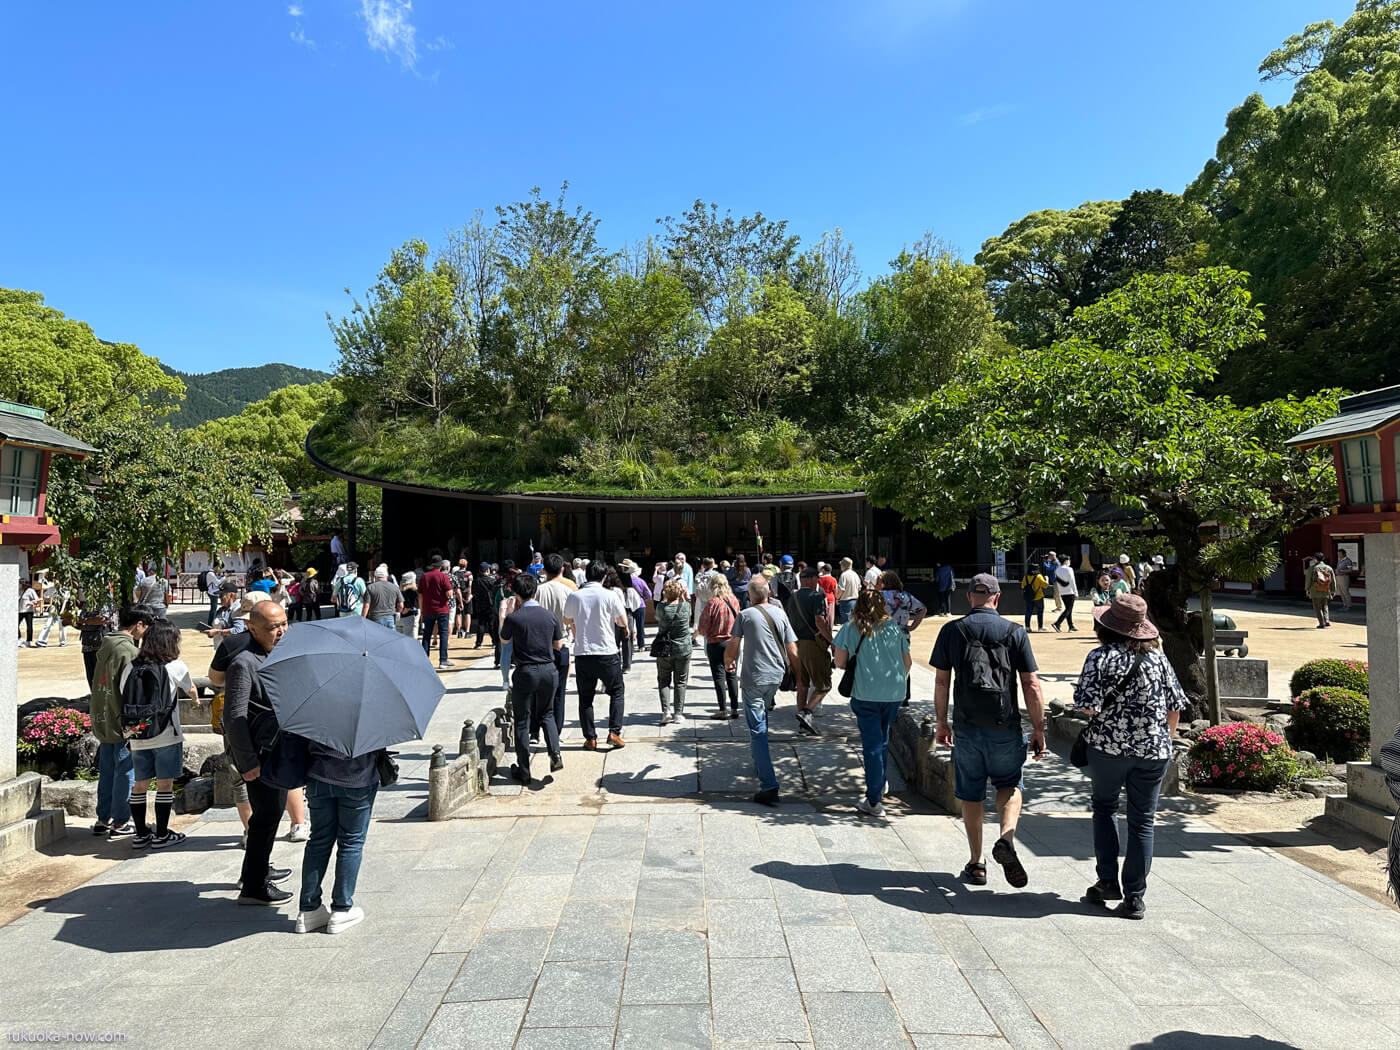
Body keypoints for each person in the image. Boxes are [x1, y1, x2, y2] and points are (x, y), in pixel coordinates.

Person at [930, 573, 1047, 891]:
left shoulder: (951, 630)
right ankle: (1006, 838)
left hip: (967, 726)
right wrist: (1038, 728)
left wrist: (942, 722)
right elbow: (1031, 684)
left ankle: (977, 863)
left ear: (969, 597)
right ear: (997, 598)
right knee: (1009, 783)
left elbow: (941, 681)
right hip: (1005, 724)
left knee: (971, 793)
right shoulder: (1014, 631)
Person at [1076, 594, 1186, 920]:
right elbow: (1175, 706)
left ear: (1107, 627)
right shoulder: (1159, 660)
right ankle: (1135, 896)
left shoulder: (1099, 657)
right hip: (1154, 751)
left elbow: (1087, 706)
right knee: (1143, 821)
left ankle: (1107, 880)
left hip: (1108, 749)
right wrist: (1164, 739)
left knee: (1105, 807)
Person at [224, 601, 294, 905]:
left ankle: (257, 869)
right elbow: (234, 717)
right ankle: (254, 886)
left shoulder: (277, 654)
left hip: (277, 749)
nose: (280, 631)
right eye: (273, 627)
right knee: (266, 816)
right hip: (259, 754)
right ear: (252, 629)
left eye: (284, 624)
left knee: (271, 814)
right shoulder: (244, 663)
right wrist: (247, 762)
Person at [121, 619, 199, 849]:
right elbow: (190, 688)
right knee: (165, 785)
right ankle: (162, 834)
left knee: (140, 785)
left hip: (137, 734)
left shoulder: (131, 667)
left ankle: (141, 834)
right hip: (166, 733)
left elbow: (123, 694)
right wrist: (195, 700)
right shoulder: (175, 666)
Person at [834, 588, 912, 817]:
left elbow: (839, 662)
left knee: (872, 746)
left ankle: (874, 800)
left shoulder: (851, 628)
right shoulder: (893, 628)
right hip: (893, 693)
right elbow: (907, 662)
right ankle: (880, 780)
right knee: (882, 739)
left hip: (866, 692)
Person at [725, 575, 798, 806]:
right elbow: (792, 648)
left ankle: (769, 785)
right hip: (775, 676)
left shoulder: (745, 615)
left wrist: (728, 661)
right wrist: (799, 675)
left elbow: (734, 644)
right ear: (769, 594)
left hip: (754, 678)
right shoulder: (780, 613)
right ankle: (759, 761)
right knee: (762, 718)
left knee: (758, 731)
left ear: (749, 595)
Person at [88, 604, 152, 838]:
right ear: (138, 625)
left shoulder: (107, 644)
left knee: (107, 770)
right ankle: (121, 821)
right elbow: (132, 691)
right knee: (126, 769)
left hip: (103, 715)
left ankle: (103, 818)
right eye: (146, 627)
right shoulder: (128, 651)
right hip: (122, 719)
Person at [500, 572, 564, 785]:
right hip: (548, 669)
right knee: (547, 713)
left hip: (526, 670)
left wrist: (505, 614)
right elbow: (558, 645)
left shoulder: (514, 618)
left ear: (517, 594)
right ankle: (555, 753)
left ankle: (524, 769)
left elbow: (504, 640)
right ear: (535, 590)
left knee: (522, 720)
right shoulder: (549, 616)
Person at [564, 560, 629, 749]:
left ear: (586, 575)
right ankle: (614, 732)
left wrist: (577, 623)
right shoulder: (610, 595)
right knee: (617, 691)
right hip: (606, 651)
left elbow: (566, 619)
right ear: (604, 576)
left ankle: (590, 738)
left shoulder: (575, 596)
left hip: (583, 652)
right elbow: (622, 621)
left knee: (585, 698)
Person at [536, 554, 576, 744]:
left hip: (540, 645)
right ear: (562, 569)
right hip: (563, 643)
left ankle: (536, 731)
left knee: (539, 690)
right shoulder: (568, 590)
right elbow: (572, 619)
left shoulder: (537, 591)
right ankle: (556, 732)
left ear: (544, 570)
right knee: (559, 692)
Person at [789, 567, 834, 735]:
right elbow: (819, 621)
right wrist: (832, 641)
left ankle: (803, 727)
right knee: (824, 685)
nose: (818, 581)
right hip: (812, 644)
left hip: (795, 644)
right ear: (809, 579)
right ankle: (806, 712)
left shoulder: (792, 597)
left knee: (802, 685)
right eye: (816, 578)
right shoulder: (817, 596)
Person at [878, 570, 926, 705]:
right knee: (904, 664)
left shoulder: (879, 596)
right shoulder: (906, 596)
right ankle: (904, 695)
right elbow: (922, 609)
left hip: (883, 634)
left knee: (884, 663)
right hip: (902, 634)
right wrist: (913, 626)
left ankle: (886, 694)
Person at [699, 573, 742, 719]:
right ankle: (735, 708)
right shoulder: (734, 600)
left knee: (719, 677)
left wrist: (706, 633)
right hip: (732, 642)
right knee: (732, 675)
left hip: (716, 643)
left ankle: (723, 710)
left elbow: (703, 626)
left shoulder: (712, 603)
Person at [655, 579, 692, 726]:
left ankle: (666, 711)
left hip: (664, 648)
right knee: (680, 681)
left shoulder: (661, 608)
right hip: (683, 648)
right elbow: (688, 613)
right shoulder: (686, 607)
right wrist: (681, 597)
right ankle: (678, 713)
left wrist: (666, 599)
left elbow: (658, 617)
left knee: (664, 680)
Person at [418, 557, 454, 666]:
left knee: (427, 635)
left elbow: (420, 596)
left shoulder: (424, 577)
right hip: (442, 609)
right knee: (443, 634)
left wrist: (422, 611)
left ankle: (425, 661)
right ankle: (443, 660)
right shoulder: (443, 576)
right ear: (441, 565)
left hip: (428, 610)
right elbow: (449, 594)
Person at [78, 596, 112, 688]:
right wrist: (71, 621)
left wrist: (83, 620)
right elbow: (79, 623)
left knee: (103, 679)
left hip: (101, 646)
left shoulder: (105, 601)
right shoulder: (88, 603)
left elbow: (101, 619)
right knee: (91, 678)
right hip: (87, 645)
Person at [496, 568, 521, 695]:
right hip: (518, 621)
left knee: (505, 652)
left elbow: (496, 606)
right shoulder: (520, 589)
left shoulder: (501, 590)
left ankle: (505, 681)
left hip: (504, 622)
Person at [361, 565, 403, 630]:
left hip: (375, 619)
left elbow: (366, 606)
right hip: (390, 618)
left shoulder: (370, 587)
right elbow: (401, 605)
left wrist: (362, 620)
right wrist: (397, 612)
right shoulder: (395, 587)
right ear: (386, 575)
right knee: (391, 636)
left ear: (375, 576)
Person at [472, 562, 501, 658]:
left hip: (480, 604)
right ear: (487, 570)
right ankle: (494, 641)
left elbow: (473, 592)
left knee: (481, 624)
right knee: (491, 624)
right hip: (490, 604)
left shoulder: (476, 581)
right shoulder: (491, 580)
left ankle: (478, 643)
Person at [35, 578, 71, 647]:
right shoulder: (52, 589)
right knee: (48, 624)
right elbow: (45, 596)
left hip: (62, 608)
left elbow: (65, 601)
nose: (55, 582)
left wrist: (62, 611)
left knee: (62, 625)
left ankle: (63, 641)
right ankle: (42, 640)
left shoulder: (65, 589)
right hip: (54, 608)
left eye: (56, 580)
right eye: (54, 580)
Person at [1305, 551, 1337, 628]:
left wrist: (1307, 589)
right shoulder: (1329, 568)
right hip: (1326, 589)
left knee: (1317, 607)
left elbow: (1308, 580)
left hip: (1315, 589)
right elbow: (1333, 580)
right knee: (1325, 605)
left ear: (1315, 559)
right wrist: (1333, 590)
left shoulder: (1312, 568)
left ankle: (1321, 623)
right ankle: (1327, 620)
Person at [622, 559, 649, 646]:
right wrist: (644, 598)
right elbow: (649, 594)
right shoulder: (640, 581)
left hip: (627, 605)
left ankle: (629, 645)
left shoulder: (623, 581)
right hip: (640, 605)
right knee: (640, 626)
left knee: (628, 626)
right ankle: (641, 645)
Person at [1051, 555, 1078, 632]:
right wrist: (1076, 592)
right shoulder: (1069, 569)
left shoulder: (1057, 570)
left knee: (1068, 609)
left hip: (1062, 592)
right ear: (1066, 561)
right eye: (1068, 560)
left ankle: (1071, 626)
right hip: (1070, 591)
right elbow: (1072, 582)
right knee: (1068, 609)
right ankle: (1057, 623)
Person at [1020, 563, 1049, 632]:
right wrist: (1047, 579)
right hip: (1038, 596)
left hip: (1029, 597)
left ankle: (1027, 627)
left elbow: (1022, 586)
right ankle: (1040, 627)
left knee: (1028, 612)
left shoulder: (1025, 577)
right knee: (1040, 611)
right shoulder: (1039, 576)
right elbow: (1045, 585)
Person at [834, 557, 861, 624]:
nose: (840, 566)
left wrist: (837, 598)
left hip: (846, 602)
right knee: (854, 622)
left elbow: (841, 589)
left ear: (844, 565)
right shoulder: (855, 574)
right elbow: (859, 588)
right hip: (855, 601)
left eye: (841, 565)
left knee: (847, 623)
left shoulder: (843, 575)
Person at [397, 572, 420, 639]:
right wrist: (408, 609)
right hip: (410, 616)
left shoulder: (400, 591)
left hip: (400, 617)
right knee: (411, 637)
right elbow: (413, 605)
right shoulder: (413, 591)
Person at [18, 578, 38, 647]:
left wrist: (31, 602)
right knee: (15, 625)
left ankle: (28, 641)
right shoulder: (19, 591)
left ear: (23, 584)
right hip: (20, 610)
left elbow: (37, 599)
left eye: (19, 584)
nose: (19, 585)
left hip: (28, 611)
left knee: (29, 626)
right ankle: (19, 639)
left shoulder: (30, 590)